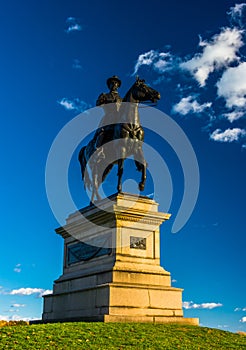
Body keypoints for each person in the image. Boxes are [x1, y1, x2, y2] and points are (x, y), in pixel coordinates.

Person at [94, 76, 122, 148]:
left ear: (118, 86)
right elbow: (98, 104)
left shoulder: (121, 99)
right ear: (109, 85)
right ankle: (98, 149)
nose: (113, 84)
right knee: (103, 131)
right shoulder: (105, 95)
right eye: (112, 83)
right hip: (109, 116)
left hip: (119, 118)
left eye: (115, 83)